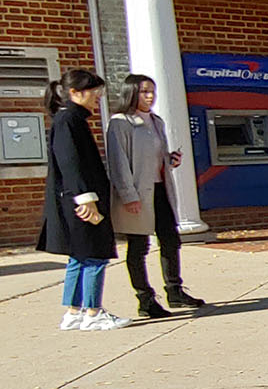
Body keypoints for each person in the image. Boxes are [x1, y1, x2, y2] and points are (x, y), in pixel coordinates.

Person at [105, 74, 205, 318]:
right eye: (144, 92)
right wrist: (129, 196)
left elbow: (153, 157)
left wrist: (170, 160)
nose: (150, 96)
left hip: (160, 190)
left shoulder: (156, 121)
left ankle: (174, 289)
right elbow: (118, 164)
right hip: (137, 192)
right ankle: (145, 299)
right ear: (131, 93)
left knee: (170, 240)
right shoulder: (121, 122)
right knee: (139, 246)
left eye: (152, 91)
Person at [39, 69, 124, 330]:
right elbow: (70, 162)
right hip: (80, 200)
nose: (97, 98)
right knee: (94, 255)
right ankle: (92, 312)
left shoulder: (68, 119)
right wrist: (85, 199)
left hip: (72, 199)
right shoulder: (69, 121)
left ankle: (74, 311)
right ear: (75, 93)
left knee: (78, 256)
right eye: (94, 93)